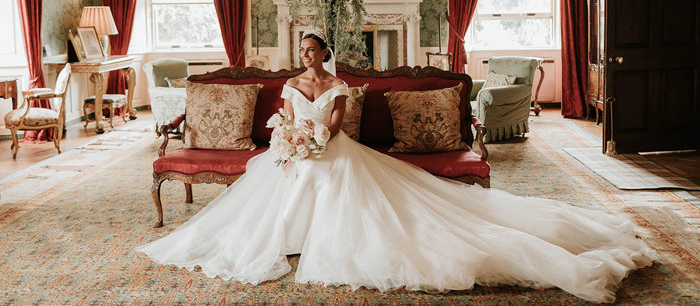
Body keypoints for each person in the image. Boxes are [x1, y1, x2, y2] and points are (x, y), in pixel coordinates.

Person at [136, 28, 654, 303]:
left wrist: (315, 139)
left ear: (326, 55)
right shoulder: (293, 86)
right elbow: (285, 119)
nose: (308, 58)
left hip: (331, 149)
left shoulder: (338, 88)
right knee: (284, 178)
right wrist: (291, 141)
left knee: (328, 174)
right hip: (296, 149)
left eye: (314, 51)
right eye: (303, 51)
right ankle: (288, 237)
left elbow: (335, 126)